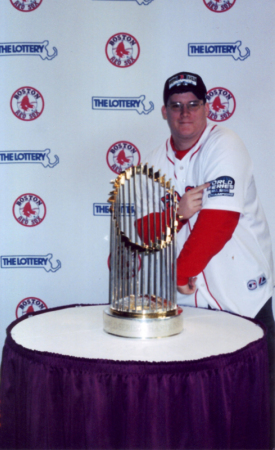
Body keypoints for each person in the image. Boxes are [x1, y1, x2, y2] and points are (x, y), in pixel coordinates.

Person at [137, 71, 275, 448]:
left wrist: (181, 270)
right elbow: (141, 232)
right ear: (164, 112)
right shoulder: (152, 162)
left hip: (242, 294)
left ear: (206, 107)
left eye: (193, 104)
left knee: (256, 406)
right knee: (199, 408)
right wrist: (177, 213)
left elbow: (219, 220)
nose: (186, 114)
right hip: (190, 305)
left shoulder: (224, 144)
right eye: (177, 106)